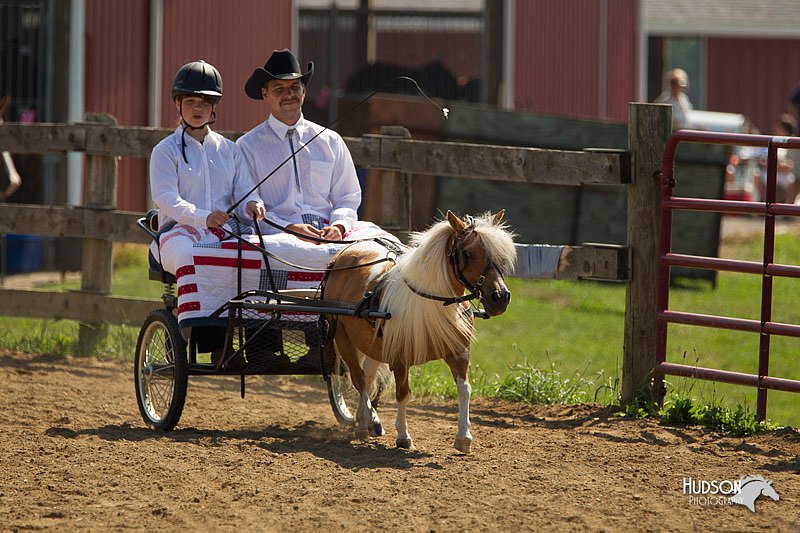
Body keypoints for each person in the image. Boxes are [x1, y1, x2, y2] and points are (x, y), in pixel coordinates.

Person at [149, 60, 265, 276]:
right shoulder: (165, 151)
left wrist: (252, 204)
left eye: (204, 102)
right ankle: (196, 310)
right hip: (177, 232)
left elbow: (245, 191)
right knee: (190, 255)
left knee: (263, 251)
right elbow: (166, 198)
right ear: (178, 103)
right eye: (190, 101)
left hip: (224, 230)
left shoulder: (229, 150)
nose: (197, 108)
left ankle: (251, 309)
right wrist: (203, 217)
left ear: (213, 107)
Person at [236, 49, 361, 243]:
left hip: (329, 232)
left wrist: (339, 226)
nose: (289, 95)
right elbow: (246, 202)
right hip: (278, 235)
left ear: (304, 91)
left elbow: (348, 196)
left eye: (295, 87)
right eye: (279, 89)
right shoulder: (247, 146)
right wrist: (289, 228)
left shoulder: (331, 140)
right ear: (265, 94)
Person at [752, 114, 799, 204]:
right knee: (756, 175)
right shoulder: (774, 141)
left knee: (793, 179)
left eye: (779, 128)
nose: (776, 129)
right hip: (771, 172)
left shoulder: (793, 143)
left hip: (785, 176)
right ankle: (766, 205)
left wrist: (775, 165)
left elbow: (790, 166)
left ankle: (788, 207)